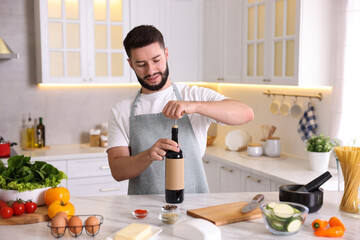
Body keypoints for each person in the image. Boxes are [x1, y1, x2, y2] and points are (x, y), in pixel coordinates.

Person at [107, 25, 254, 195]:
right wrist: (148, 155)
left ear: (166, 54)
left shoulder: (193, 94)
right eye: (141, 64)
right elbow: (118, 171)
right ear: (131, 64)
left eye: (156, 60)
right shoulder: (121, 111)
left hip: (195, 208)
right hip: (144, 213)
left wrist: (194, 106)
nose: (151, 70)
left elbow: (246, 113)